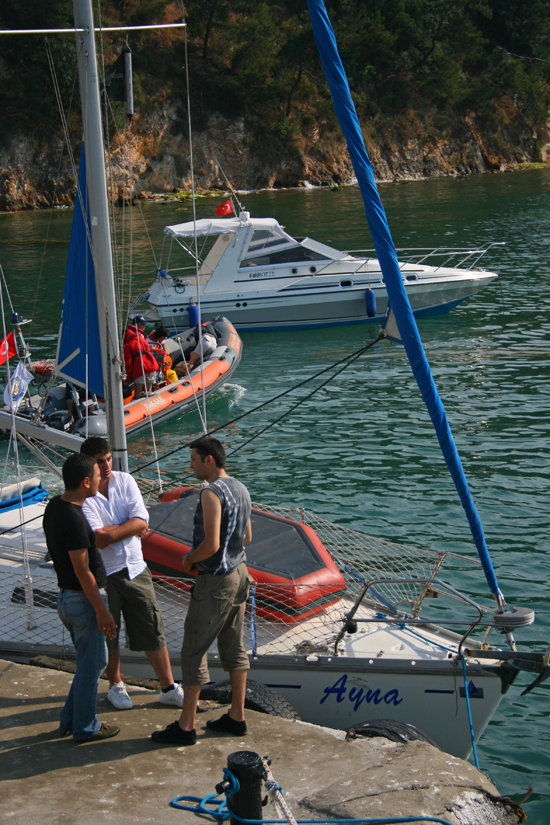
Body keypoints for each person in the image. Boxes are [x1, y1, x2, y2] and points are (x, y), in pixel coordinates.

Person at [152, 436, 252, 746]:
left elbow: (211, 545)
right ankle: (237, 717)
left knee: (193, 650)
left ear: (209, 460)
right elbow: (247, 536)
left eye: (194, 459)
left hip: (216, 581)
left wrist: (189, 559)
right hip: (240, 573)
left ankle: (186, 726)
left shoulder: (211, 493)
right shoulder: (240, 488)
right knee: (234, 647)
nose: (190, 465)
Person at [80, 436, 184, 711]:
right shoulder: (85, 497)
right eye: (100, 461)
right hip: (107, 573)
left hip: (137, 568)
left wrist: (124, 528)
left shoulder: (125, 480)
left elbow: (142, 519)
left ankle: (169, 688)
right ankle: (115, 684)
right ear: (89, 463)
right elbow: (98, 539)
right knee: (109, 632)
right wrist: (131, 526)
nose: (106, 466)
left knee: (152, 628)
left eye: (108, 459)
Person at [43, 453, 120, 742]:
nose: (102, 476)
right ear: (86, 482)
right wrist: (102, 610)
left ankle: (69, 720)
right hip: (83, 601)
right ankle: (86, 726)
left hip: (67, 598)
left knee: (88, 662)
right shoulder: (75, 520)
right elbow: (83, 571)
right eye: (97, 475)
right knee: (95, 664)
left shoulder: (54, 507)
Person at [123, 316, 158, 395]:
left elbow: (128, 364)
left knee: (138, 393)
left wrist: (126, 380)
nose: (144, 326)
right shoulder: (141, 337)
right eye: (142, 324)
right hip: (152, 365)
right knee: (148, 391)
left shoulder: (128, 344)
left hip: (140, 368)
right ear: (136, 324)